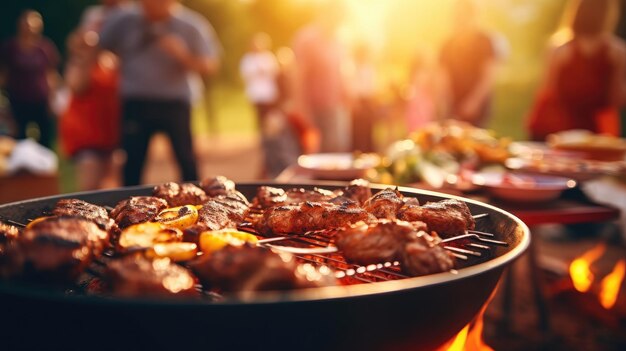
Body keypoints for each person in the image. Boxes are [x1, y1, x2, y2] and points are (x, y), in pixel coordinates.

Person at [98, 0, 221, 185]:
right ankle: (129, 209)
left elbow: (210, 65)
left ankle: (196, 204)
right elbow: (97, 45)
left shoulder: (191, 24)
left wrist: (183, 55)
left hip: (175, 103)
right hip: (136, 102)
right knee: (132, 162)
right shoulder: (124, 20)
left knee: (186, 159)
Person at [526, 0, 626, 141]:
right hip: (594, 131)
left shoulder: (560, 48)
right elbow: (616, 97)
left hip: (557, 128)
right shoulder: (617, 51)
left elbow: (547, 91)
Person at [59, 0, 128, 191]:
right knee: (90, 188)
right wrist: (90, 54)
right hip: (87, 138)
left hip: (111, 137)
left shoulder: (113, 62)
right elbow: (77, 86)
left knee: (115, 189)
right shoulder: (80, 63)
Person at [292, 3, 351, 153]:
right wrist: (301, 106)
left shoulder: (337, 39)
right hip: (314, 108)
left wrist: (346, 94)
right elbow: (299, 75)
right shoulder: (308, 39)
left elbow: (338, 72)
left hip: (334, 106)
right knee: (315, 154)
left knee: (336, 149)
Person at [0, 10, 60, 148]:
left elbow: (51, 74)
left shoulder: (45, 48)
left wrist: (53, 99)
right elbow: (3, 75)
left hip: (41, 102)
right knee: (17, 141)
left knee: (45, 143)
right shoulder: (10, 48)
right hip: (17, 102)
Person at [439, 0, 497, 127]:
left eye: (463, 15)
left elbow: (488, 76)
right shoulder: (448, 44)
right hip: (454, 107)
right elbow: (443, 77)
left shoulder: (485, 41)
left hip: (478, 108)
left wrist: (474, 102)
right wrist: (445, 101)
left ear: (473, 15)